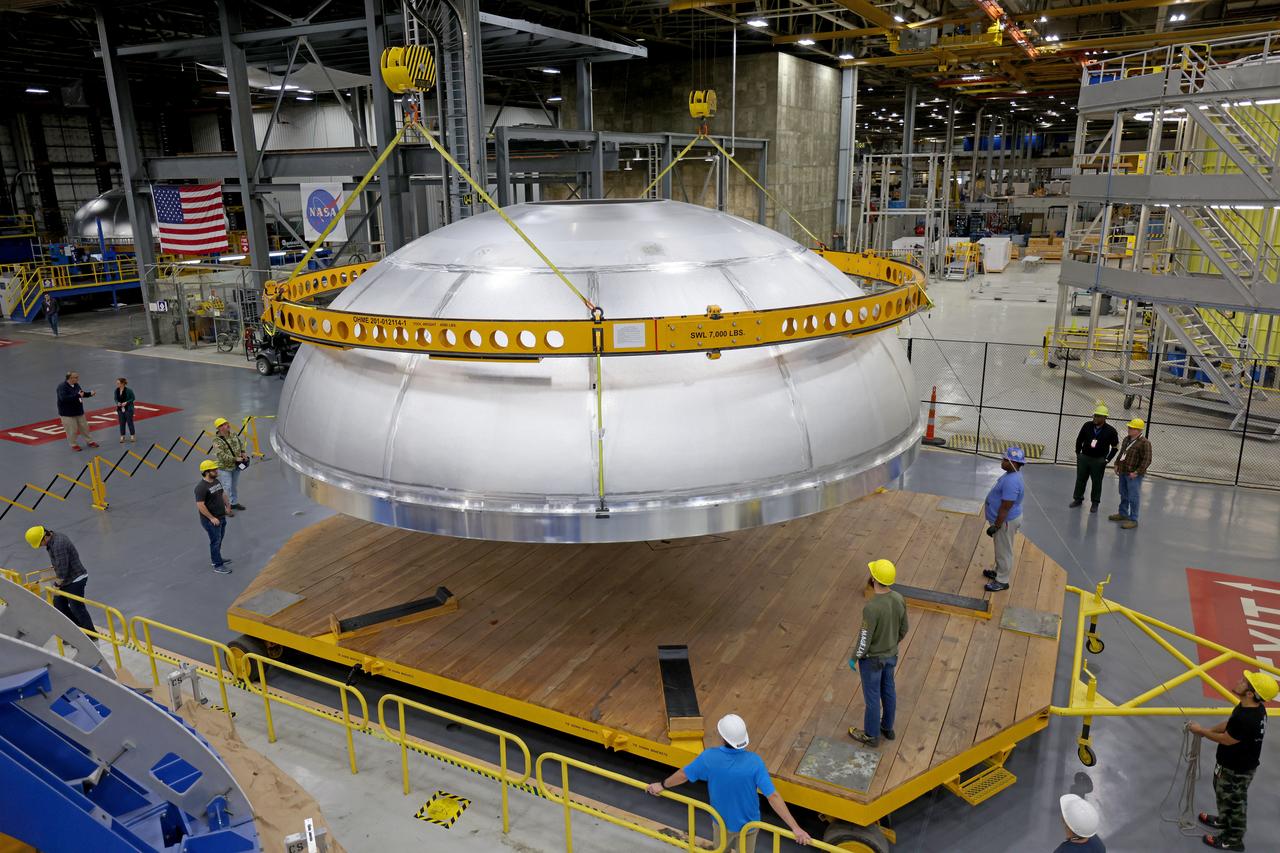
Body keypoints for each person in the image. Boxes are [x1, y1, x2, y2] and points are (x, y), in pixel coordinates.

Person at [645, 714, 811, 851]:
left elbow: (683, 775)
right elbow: (773, 796)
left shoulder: (709, 757)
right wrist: (795, 828)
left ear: (722, 736)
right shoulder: (755, 762)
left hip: (721, 823)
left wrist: (662, 785)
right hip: (749, 825)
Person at [1190, 670, 1275, 851]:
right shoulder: (1249, 707)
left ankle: (1232, 840)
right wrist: (1208, 730)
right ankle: (1224, 820)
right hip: (1231, 765)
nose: (1239, 681)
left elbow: (1226, 739)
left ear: (1250, 693)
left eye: (1244, 681)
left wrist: (1201, 732)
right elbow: (1230, 724)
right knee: (1224, 797)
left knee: (1234, 803)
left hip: (1237, 770)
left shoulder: (1248, 718)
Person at [848, 559, 908, 748]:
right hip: (891, 656)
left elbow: (864, 639)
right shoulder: (899, 599)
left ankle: (871, 735)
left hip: (872, 661)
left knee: (872, 697)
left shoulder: (872, 608)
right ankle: (887, 728)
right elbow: (904, 628)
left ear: (873, 579)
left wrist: (854, 657)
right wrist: (891, 644)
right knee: (888, 690)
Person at [25, 525, 96, 633]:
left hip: (75, 579)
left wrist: (56, 586)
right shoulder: (52, 540)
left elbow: (63, 571)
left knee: (77, 608)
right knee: (59, 604)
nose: (40, 546)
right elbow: (60, 563)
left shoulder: (58, 544)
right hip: (66, 580)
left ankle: (92, 635)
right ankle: (78, 631)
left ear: (45, 537)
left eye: (40, 543)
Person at [982, 446, 1026, 592]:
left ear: (1013, 463)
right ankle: (999, 571)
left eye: (1005, 460)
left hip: (1005, 522)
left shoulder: (1011, 481)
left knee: (1004, 551)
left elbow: (1006, 507)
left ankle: (1002, 580)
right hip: (1004, 520)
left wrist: (997, 525)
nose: (1002, 461)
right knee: (1001, 548)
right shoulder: (1010, 475)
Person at [1070, 404, 1118, 513]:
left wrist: (1107, 460)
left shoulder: (1111, 431)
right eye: (1095, 415)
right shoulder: (1087, 426)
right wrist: (1078, 453)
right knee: (1080, 479)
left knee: (1097, 482)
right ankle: (1078, 499)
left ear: (1105, 418)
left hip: (1098, 460)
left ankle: (1095, 503)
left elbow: (1115, 447)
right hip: (1084, 458)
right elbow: (1079, 439)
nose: (1095, 418)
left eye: (1099, 416)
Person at [1109, 418, 1151, 530]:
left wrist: (1137, 472)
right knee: (1123, 493)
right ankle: (1123, 513)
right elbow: (1122, 452)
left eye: (1131, 428)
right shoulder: (1127, 439)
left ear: (1138, 430)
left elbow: (1147, 460)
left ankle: (1133, 519)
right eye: (1129, 427)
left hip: (1133, 475)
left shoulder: (1145, 443)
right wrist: (1117, 463)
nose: (1129, 429)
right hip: (1123, 472)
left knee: (1133, 496)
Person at [195, 459, 232, 574]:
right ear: (207, 472)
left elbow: (222, 494)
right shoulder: (200, 487)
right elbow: (200, 505)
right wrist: (211, 518)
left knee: (219, 539)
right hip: (211, 520)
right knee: (215, 541)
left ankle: (217, 558)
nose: (217, 470)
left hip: (221, 516)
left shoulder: (216, 481)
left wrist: (228, 505)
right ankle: (217, 565)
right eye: (214, 469)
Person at [213, 417, 249, 512]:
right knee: (226, 488)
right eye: (224, 424)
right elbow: (221, 455)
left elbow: (240, 443)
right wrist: (235, 458)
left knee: (234, 486)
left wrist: (243, 452)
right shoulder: (217, 441)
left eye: (227, 423)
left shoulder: (233, 434)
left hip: (236, 466)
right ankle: (225, 508)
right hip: (225, 468)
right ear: (219, 428)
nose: (227, 425)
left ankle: (234, 503)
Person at [56, 371, 98, 451]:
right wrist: (78, 395)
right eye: (76, 377)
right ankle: (73, 444)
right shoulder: (62, 387)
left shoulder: (76, 385)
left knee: (85, 427)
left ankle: (90, 441)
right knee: (72, 430)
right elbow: (64, 399)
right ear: (70, 378)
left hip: (78, 411)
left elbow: (81, 393)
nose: (78, 379)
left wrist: (89, 394)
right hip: (67, 414)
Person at [114, 377, 136, 444]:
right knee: (121, 423)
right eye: (117, 383)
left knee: (130, 422)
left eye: (118, 383)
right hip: (120, 409)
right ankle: (122, 436)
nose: (117, 384)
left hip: (128, 409)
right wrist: (117, 403)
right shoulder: (116, 390)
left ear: (122, 383)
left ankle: (132, 436)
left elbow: (133, 398)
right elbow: (115, 398)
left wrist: (126, 402)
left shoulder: (129, 390)